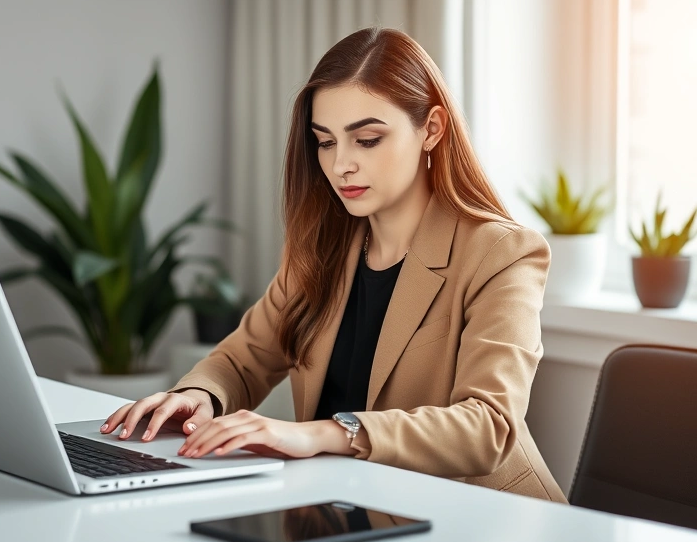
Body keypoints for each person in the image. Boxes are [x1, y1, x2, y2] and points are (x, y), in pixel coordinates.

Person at [100, 27, 566, 502]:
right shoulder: (322, 247)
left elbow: (488, 426)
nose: (341, 164)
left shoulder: (502, 253)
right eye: (325, 142)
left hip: (485, 521)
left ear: (432, 129)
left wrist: (324, 434)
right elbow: (243, 360)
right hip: (355, 507)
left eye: (366, 140)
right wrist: (200, 397)